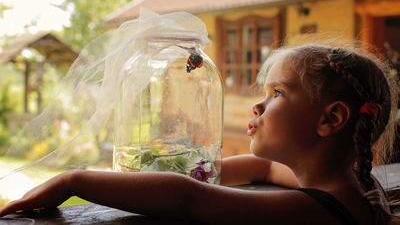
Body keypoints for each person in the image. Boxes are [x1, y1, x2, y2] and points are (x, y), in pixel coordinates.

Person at [0, 44, 399, 224]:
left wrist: (74, 180)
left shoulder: (313, 211)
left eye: (277, 93)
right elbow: (261, 169)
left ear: (331, 120)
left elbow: (187, 198)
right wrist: (204, 166)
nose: (257, 107)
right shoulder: (347, 187)